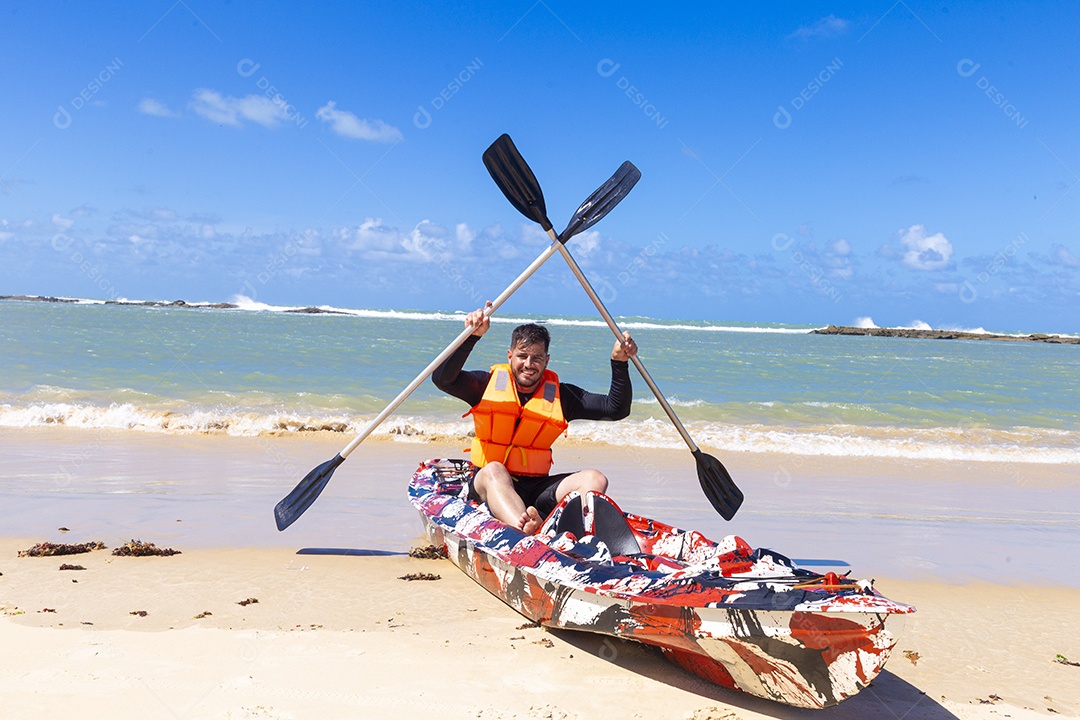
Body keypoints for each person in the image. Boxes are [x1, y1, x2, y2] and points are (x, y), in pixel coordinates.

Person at [432, 301, 638, 534]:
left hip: (537, 489)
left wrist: (619, 363)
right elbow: (442, 379)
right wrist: (471, 336)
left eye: (537, 358)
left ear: (546, 361)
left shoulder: (562, 396)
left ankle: (572, 532)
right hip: (489, 485)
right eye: (522, 356)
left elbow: (616, 408)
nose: (529, 364)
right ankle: (524, 529)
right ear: (510, 356)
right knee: (494, 469)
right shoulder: (485, 385)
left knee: (595, 479)